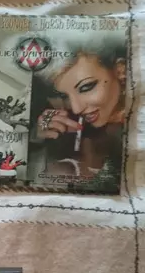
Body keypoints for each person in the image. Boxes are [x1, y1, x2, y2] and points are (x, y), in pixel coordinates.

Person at [33, 42, 125, 183]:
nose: (76, 109)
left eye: (86, 87)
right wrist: (37, 137)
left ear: (120, 70)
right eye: (64, 96)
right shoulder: (73, 124)